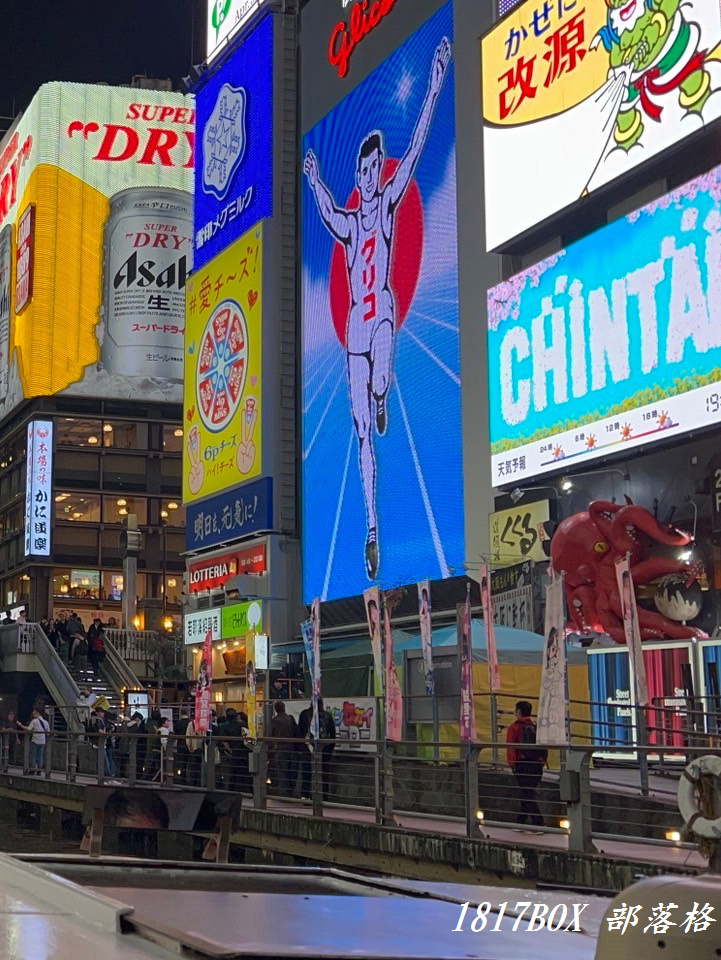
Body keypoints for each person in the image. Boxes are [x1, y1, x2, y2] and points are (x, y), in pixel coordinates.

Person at [301, 35, 451, 579]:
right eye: (362, 173)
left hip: (380, 311)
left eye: (371, 171)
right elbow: (325, 211)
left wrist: (434, 85)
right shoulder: (348, 221)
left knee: (380, 372)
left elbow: (413, 150)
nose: (367, 178)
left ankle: (384, 389)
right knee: (363, 432)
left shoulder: (385, 205)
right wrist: (315, 179)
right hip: (352, 332)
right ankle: (370, 531)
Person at [505, 700, 546, 826]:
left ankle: (538, 821)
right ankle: (521, 821)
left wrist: (512, 765)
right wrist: (543, 761)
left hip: (522, 764)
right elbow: (544, 746)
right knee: (527, 791)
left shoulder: (514, 727)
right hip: (536, 764)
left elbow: (511, 748)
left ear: (518, 711)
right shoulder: (536, 726)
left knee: (527, 793)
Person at [267, 701, 300, 797]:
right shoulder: (290, 719)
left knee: (281, 772)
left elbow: (269, 735)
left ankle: (283, 794)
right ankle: (292, 792)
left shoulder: (275, 720)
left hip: (281, 748)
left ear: (276, 709)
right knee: (292, 772)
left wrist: (270, 749)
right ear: (284, 708)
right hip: (292, 748)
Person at [22, 706, 50, 771]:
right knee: (40, 756)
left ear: (37, 713)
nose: (33, 713)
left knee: (33, 755)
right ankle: (39, 770)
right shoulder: (46, 722)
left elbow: (29, 729)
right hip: (43, 741)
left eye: (34, 712)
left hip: (35, 740)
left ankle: (32, 769)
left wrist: (21, 725)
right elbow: (48, 733)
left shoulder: (34, 721)